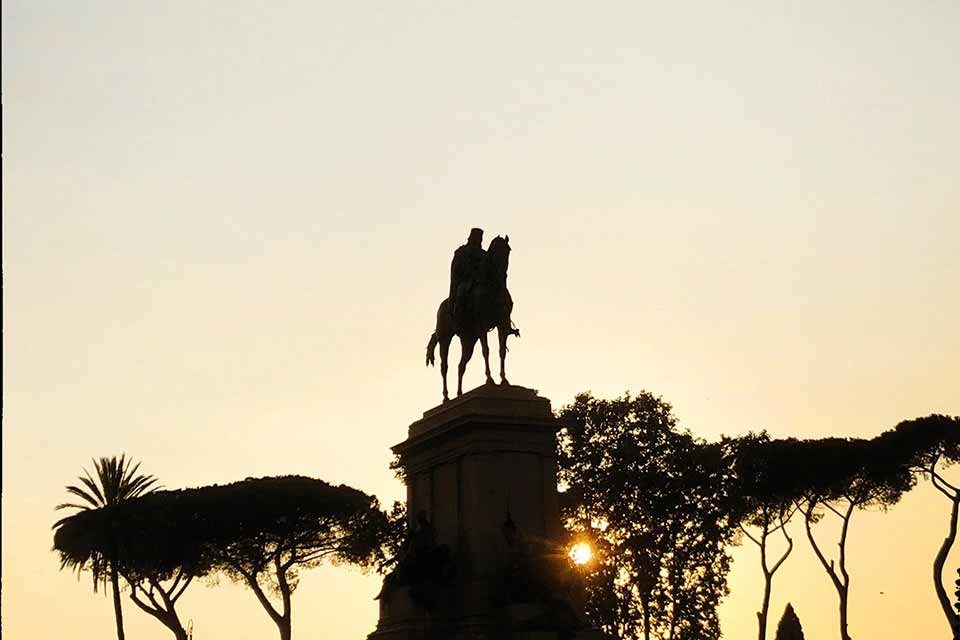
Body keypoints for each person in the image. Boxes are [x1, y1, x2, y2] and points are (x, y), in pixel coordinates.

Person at [448, 228, 487, 324]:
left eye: (480, 238)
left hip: (480, 282)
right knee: (461, 292)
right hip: (465, 281)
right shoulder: (462, 251)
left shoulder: (483, 254)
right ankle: (456, 318)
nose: (478, 240)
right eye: (477, 237)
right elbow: (457, 269)